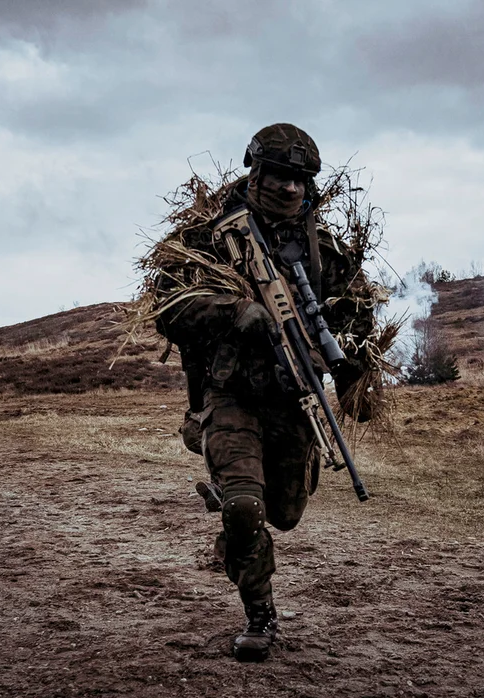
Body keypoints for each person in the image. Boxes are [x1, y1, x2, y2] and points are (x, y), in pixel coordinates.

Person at [151, 123, 378, 662]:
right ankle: (261, 616)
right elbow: (167, 306)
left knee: (285, 512)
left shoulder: (327, 252)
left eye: (299, 179)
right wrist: (236, 312)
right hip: (230, 395)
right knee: (247, 509)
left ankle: (228, 502)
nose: (289, 188)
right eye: (278, 175)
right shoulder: (211, 237)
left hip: (293, 399)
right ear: (255, 170)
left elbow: (355, 322)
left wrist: (354, 374)